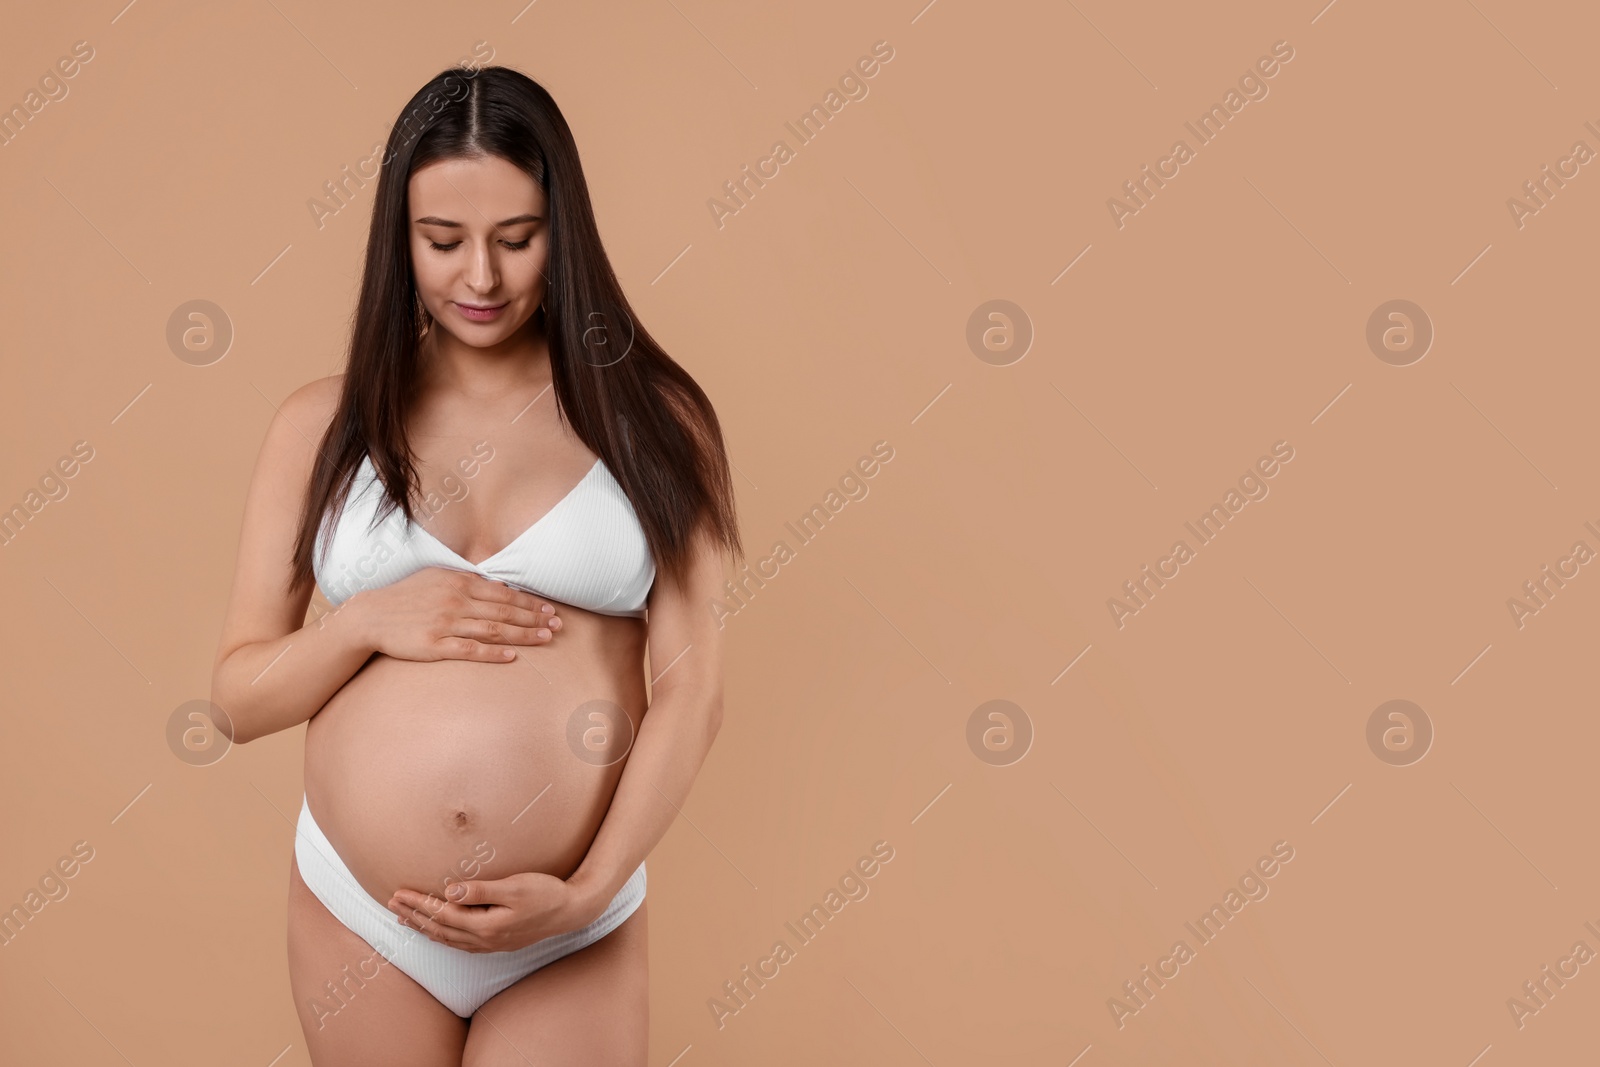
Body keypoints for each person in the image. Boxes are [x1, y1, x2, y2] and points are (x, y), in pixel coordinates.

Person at [211, 64, 739, 1065]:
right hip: (361, 913)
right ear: (397, 240)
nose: (482, 279)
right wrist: (364, 622)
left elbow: (692, 689)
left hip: (566, 923)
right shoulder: (319, 427)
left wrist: (587, 888)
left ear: (563, 231)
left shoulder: (653, 422)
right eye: (444, 242)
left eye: (517, 239)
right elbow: (238, 698)